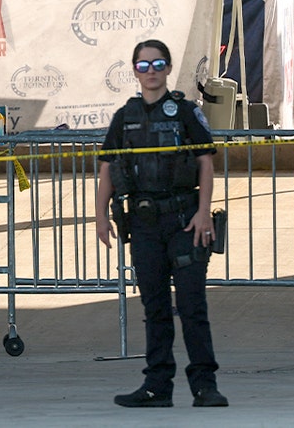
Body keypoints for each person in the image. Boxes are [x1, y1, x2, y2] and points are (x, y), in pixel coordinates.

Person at [95, 39, 228, 409]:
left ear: (168, 68)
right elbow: (108, 165)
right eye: (143, 65)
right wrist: (100, 215)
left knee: (192, 306)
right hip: (144, 224)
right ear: (135, 70)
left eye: (157, 64)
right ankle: (157, 387)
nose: (150, 71)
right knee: (154, 307)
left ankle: (205, 386)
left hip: (185, 220)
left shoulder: (185, 112)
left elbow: (205, 162)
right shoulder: (125, 116)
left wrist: (204, 212)